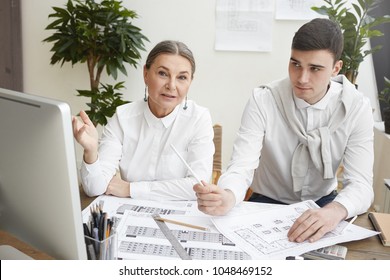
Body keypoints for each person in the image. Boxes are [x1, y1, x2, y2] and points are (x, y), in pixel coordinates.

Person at [194, 18, 374, 243]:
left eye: (315, 68)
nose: (301, 78)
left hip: (324, 204)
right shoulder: (263, 99)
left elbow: (361, 184)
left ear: (335, 68)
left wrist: (335, 210)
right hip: (265, 202)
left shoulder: (357, 107)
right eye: (295, 64)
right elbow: (241, 167)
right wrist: (228, 196)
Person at [73, 40, 214, 201]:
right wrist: (91, 151)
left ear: (190, 82)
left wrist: (130, 188)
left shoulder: (198, 119)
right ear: (145, 74)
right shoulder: (123, 117)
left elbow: (197, 187)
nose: (172, 85)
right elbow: (94, 188)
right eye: (163, 73)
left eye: (182, 77)